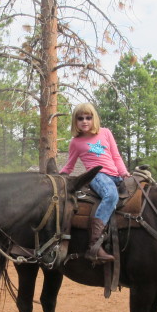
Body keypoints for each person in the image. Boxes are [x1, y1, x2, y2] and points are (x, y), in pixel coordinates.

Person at [60, 103, 130, 262]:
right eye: (80, 118)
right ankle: (95, 245)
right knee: (111, 196)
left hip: (115, 175)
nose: (84, 121)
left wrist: (124, 172)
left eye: (88, 117)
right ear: (75, 121)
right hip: (97, 175)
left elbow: (116, 156)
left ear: (94, 119)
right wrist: (59, 177)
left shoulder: (105, 133)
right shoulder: (76, 142)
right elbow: (69, 165)